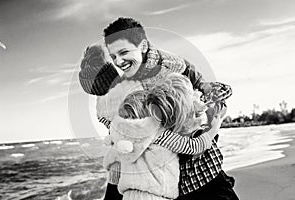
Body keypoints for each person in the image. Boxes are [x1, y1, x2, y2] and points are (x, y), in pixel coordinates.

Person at [79, 17, 238, 200]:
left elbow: (192, 72)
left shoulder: (168, 64)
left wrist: (207, 93)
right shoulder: (128, 84)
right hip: (163, 169)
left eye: (124, 52)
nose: (119, 61)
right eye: (114, 56)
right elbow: (123, 133)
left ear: (143, 46)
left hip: (194, 163)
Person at [97, 73, 223, 200]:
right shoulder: (160, 134)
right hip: (156, 196)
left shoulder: (122, 137)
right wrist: (214, 128)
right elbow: (194, 146)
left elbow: (112, 168)